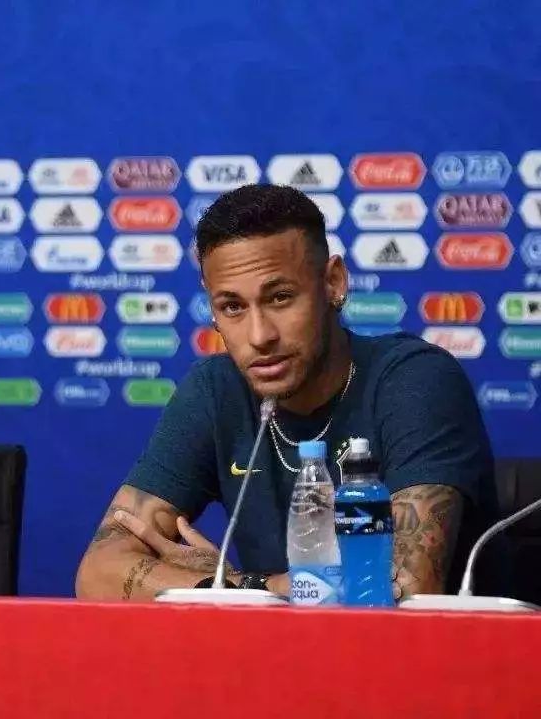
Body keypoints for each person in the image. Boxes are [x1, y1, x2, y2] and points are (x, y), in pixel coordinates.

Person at [76, 183, 504, 601]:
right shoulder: (215, 390)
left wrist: (237, 590)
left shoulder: (414, 379)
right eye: (232, 307)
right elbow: (97, 574)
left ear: (333, 282)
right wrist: (243, 588)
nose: (259, 336)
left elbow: (404, 587)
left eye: (280, 298)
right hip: (279, 647)